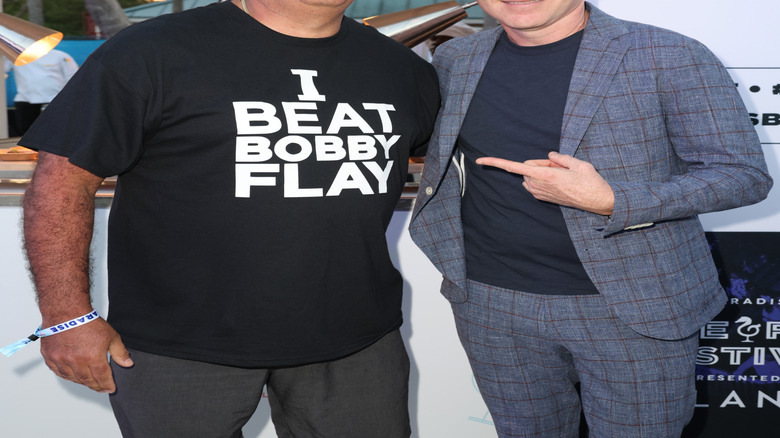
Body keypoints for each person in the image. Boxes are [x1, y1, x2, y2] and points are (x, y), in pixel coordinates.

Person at [19, 0, 438, 436]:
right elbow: (61, 184)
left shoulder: (400, 68)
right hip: (179, 347)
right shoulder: (151, 50)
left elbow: (455, 154)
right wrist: (67, 315)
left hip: (357, 343)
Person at [409, 1, 772, 437]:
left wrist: (612, 200)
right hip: (490, 303)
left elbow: (742, 175)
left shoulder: (670, 54)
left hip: (633, 304)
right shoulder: (456, 58)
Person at [4, 49, 78, 135]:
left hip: (54, 101)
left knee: (57, 133)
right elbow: (3, 68)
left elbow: (73, 76)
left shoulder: (61, 56)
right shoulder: (15, 55)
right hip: (25, 101)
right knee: (26, 135)